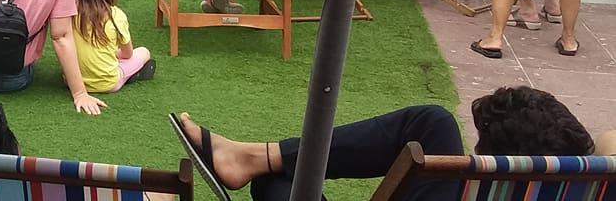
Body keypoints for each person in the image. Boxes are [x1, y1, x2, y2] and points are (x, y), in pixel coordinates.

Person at [173, 85, 594, 200]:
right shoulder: (594, 185)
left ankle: (253, 157)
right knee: (277, 180)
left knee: (276, 182)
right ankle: (255, 159)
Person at [74, 0, 154, 93]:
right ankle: (131, 74)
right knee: (144, 52)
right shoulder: (116, 15)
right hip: (108, 83)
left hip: (73, 80)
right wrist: (115, 53)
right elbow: (127, 54)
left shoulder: (71, 12)